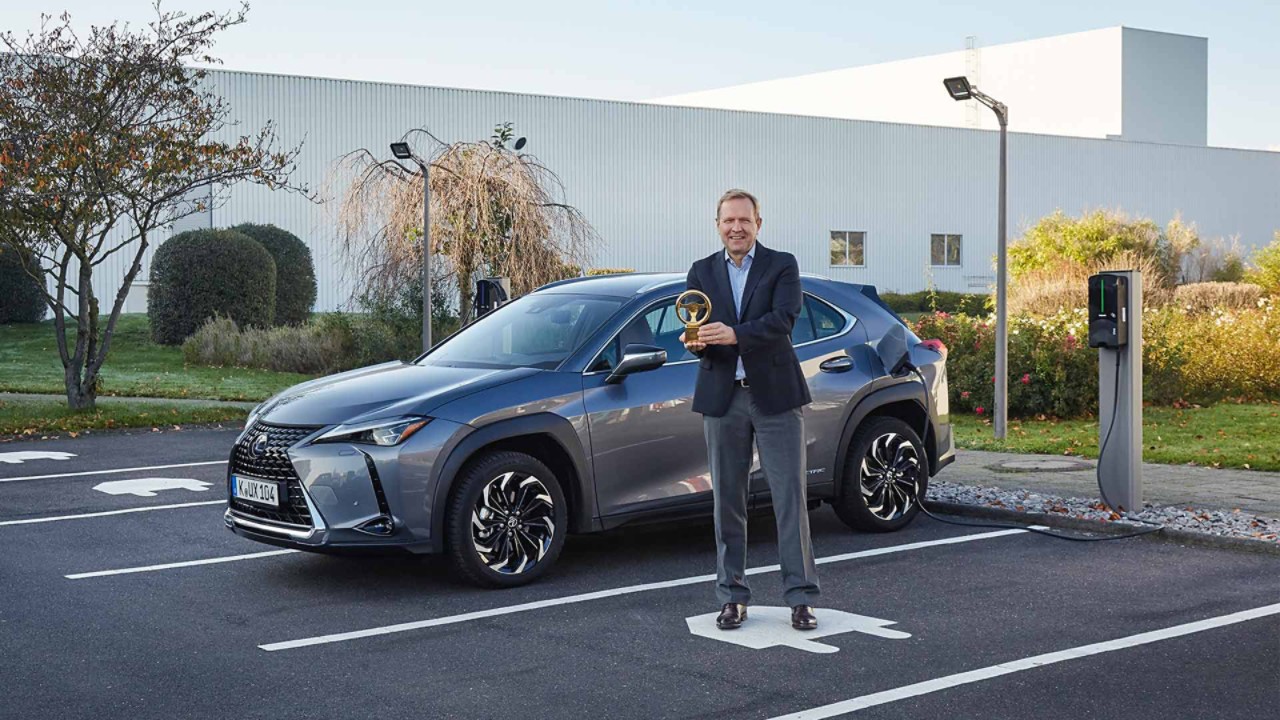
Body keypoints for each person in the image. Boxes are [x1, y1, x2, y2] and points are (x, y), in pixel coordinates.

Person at [683, 188, 820, 631]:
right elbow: (694, 327)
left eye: (744, 220)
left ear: (758, 223)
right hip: (723, 398)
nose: (736, 228)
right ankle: (732, 596)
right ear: (717, 224)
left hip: (776, 396)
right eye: (728, 221)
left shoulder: (782, 265)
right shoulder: (701, 271)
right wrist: (697, 340)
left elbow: (783, 320)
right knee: (727, 500)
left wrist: (734, 335)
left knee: (789, 498)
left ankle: (800, 597)